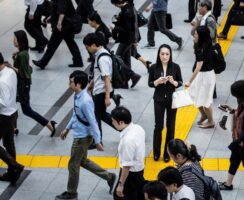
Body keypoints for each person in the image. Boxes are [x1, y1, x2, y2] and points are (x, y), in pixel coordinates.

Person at [56, 70, 116, 200]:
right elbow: (76, 114)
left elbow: (93, 122)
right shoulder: (77, 96)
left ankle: (72, 193)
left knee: (73, 165)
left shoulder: (85, 101)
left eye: (71, 82)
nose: (69, 84)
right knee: (82, 161)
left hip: (82, 138)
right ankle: (110, 177)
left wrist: (98, 141)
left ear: (78, 85)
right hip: (80, 134)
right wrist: (67, 128)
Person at [6, 30, 57, 137]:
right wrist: (16, 58)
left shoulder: (23, 54)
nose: (13, 41)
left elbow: (23, 72)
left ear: (20, 40)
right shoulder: (22, 52)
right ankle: (13, 128)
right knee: (12, 105)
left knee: (26, 110)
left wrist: (10, 66)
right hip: (20, 85)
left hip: (22, 86)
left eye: (15, 39)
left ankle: (48, 123)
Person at [148, 44, 183, 162]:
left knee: (171, 126)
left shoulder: (175, 67)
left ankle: (168, 152)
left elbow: (180, 82)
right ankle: (156, 152)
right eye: (162, 54)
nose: (164, 56)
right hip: (158, 99)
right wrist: (157, 82)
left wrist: (173, 82)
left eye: (167, 54)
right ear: (159, 55)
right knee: (158, 126)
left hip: (172, 100)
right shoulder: (153, 67)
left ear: (170, 55)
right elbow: (150, 83)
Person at [32, 0, 83, 69]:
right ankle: (78, 61)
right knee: (70, 43)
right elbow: (58, 9)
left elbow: (62, 11)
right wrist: (51, 17)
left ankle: (42, 63)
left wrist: (59, 24)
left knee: (52, 45)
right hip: (65, 24)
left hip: (64, 25)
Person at [111, 106, 146, 200]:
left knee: (119, 196)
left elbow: (127, 166)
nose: (112, 123)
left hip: (130, 174)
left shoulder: (128, 140)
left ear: (121, 122)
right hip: (139, 170)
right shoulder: (138, 128)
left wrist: (121, 185)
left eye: (113, 121)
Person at [0, 52, 24, 186]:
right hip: (13, 113)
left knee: (8, 143)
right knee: (9, 143)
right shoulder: (10, 71)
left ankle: (15, 166)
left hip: (3, 116)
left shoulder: (2, 81)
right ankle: (12, 173)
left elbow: (3, 102)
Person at [185, 26, 216, 129]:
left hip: (205, 76)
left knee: (205, 101)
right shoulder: (203, 44)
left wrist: (189, 81)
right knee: (193, 94)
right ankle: (204, 115)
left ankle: (211, 121)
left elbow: (198, 67)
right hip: (203, 75)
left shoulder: (202, 48)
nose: (194, 35)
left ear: (201, 36)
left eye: (196, 34)